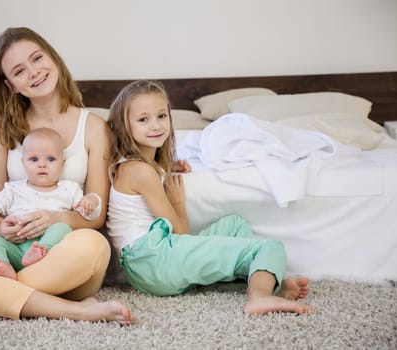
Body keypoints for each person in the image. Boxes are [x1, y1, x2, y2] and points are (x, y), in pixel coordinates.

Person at [0, 26, 132, 325]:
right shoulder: (1, 128)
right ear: (11, 85)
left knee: (93, 246)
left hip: (65, 254)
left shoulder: (94, 127)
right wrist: (5, 229)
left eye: (37, 58)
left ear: (52, 58)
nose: (34, 72)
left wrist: (55, 219)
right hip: (15, 248)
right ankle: (77, 310)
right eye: (19, 70)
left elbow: (95, 216)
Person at [106, 80, 312, 315]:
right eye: (143, 119)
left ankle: (262, 279)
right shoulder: (140, 171)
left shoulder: (143, 166)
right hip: (153, 262)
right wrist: (176, 201)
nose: (155, 126)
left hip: (148, 263)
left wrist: (167, 166)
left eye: (161, 116)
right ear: (124, 126)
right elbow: (180, 232)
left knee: (235, 225)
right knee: (269, 247)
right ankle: (260, 296)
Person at [0, 127, 102, 280]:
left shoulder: (69, 189)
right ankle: (4, 267)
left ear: (62, 163)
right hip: (17, 247)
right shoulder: (13, 189)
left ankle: (41, 251)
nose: (42, 164)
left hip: (51, 253)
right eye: (34, 159)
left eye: (50, 159)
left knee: (62, 227)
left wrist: (91, 201)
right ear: (23, 162)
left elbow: (90, 215)